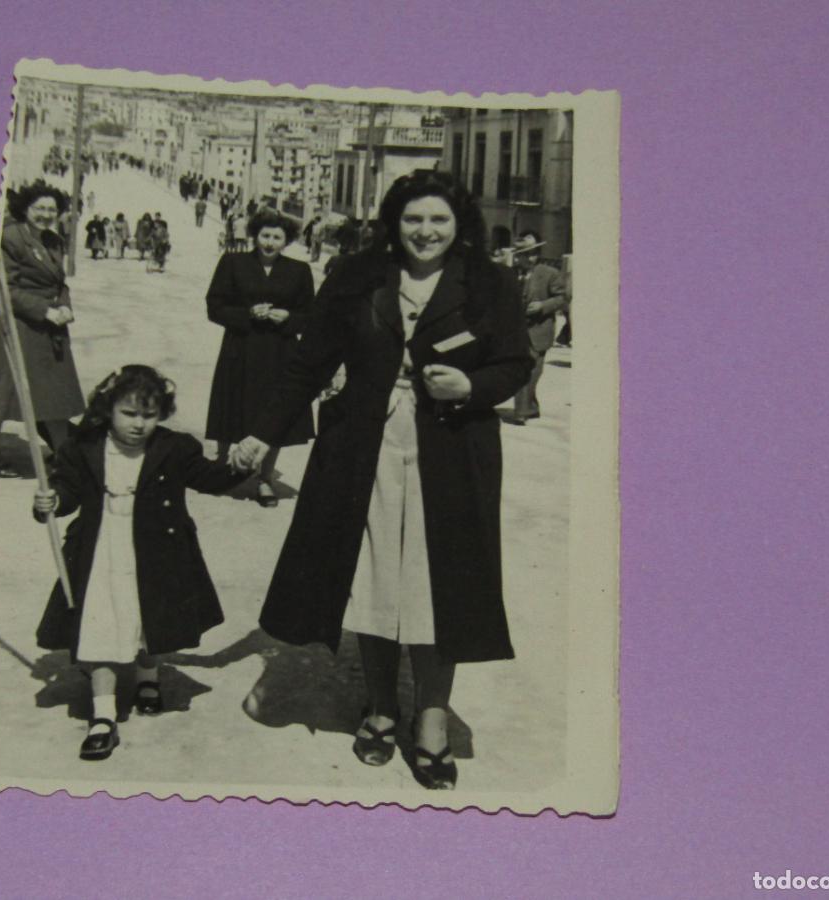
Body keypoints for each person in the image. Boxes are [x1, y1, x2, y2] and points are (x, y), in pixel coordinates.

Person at [234, 170, 530, 789]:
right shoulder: (355, 277)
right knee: (373, 580)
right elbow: (306, 363)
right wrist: (262, 431)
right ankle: (378, 709)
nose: (426, 232)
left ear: (458, 224)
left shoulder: (487, 282)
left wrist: (474, 386)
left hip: (452, 450)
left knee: (436, 584)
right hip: (361, 447)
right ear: (394, 222)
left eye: (439, 220)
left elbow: (514, 362)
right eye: (414, 219)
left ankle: (431, 722)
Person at [32, 366, 249, 761]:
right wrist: (52, 503)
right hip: (101, 549)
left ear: (161, 414)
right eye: (129, 414)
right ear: (108, 409)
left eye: (148, 415)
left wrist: (239, 466)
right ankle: (102, 717)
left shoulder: (175, 448)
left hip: (157, 550)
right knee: (101, 624)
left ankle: (148, 678)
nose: (138, 424)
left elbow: (210, 479)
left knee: (148, 618)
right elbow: (68, 490)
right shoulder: (84, 446)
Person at [205, 209, 315, 507]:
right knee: (232, 406)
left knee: (274, 411)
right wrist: (247, 315)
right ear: (255, 236)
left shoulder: (299, 271)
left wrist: (289, 317)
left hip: (280, 352)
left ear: (287, 240)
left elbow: (311, 316)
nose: (269, 242)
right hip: (240, 347)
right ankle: (222, 468)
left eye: (277, 237)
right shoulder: (233, 262)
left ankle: (264, 479)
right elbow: (214, 306)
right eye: (265, 235)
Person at [0, 184, 86, 476]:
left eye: (51, 209)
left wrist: (65, 306)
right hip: (19, 325)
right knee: (3, 393)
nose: (45, 215)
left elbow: (59, 283)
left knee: (54, 396)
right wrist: (44, 310)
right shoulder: (11, 238)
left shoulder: (54, 240)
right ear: (26, 208)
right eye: (39, 208)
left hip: (50, 329)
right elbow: (5, 288)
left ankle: (63, 457)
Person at [509, 232, 567, 423]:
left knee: (534, 373)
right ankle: (522, 412)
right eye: (524, 254)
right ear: (517, 255)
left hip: (539, 331)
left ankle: (530, 407)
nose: (529, 258)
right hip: (516, 332)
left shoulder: (550, 273)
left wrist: (543, 306)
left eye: (533, 253)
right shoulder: (510, 273)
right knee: (521, 370)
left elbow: (563, 298)